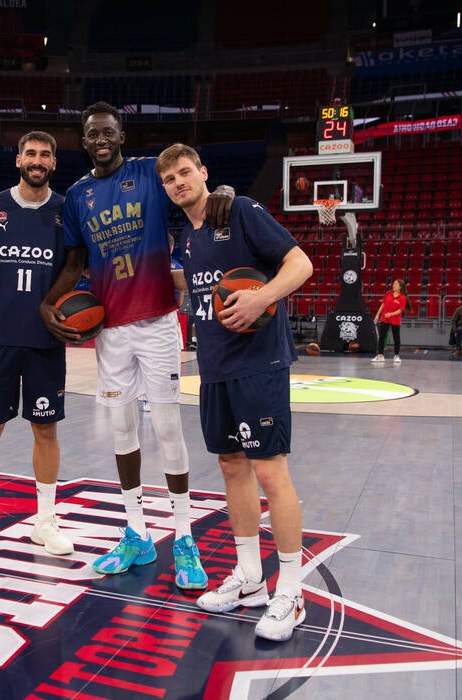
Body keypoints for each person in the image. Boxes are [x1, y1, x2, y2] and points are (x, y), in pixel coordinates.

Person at [39, 101, 232, 591]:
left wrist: (224, 191)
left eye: (108, 131)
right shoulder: (78, 195)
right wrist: (50, 302)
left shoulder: (151, 174)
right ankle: (136, 532)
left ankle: (184, 537)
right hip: (111, 330)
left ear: (120, 134)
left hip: (158, 322)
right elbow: (75, 259)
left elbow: (194, 198)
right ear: (83, 142)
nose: (101, 139)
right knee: (122, 430)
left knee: (167, 426)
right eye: (92, 134)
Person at [158, 143, 312, 642]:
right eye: (170, 179)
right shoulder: (187, 236)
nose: (179, 182)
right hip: (215, 368)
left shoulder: (240, 210)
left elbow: (300, 264)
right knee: (231, 465)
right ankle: (249, 577)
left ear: (204, 173)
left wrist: (263, 297)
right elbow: (197, 285)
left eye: (186, 173)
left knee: (271, 470)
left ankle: (291, 590)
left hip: (259, 362)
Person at [0, 130, 74, 562]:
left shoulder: (65, 209)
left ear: (54, 163)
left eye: (45, 154)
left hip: (46, 341)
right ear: (18, 160)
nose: (37, 160)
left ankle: (45, 521)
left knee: (46, 429)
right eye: (31, 153)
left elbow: (74, 266)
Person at [372, 279, 411, 363]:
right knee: (382, 337)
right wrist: (377, 315)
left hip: (395, 320)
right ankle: (380, 355)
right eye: (393, 284)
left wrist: (391, 314)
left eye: (396, 284)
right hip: (385, 319)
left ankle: (396, 355)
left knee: (396, 338)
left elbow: (400, 310)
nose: (393, 285)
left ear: (400, 287)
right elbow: (383, 305)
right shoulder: (388, 294)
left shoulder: (402, 298)